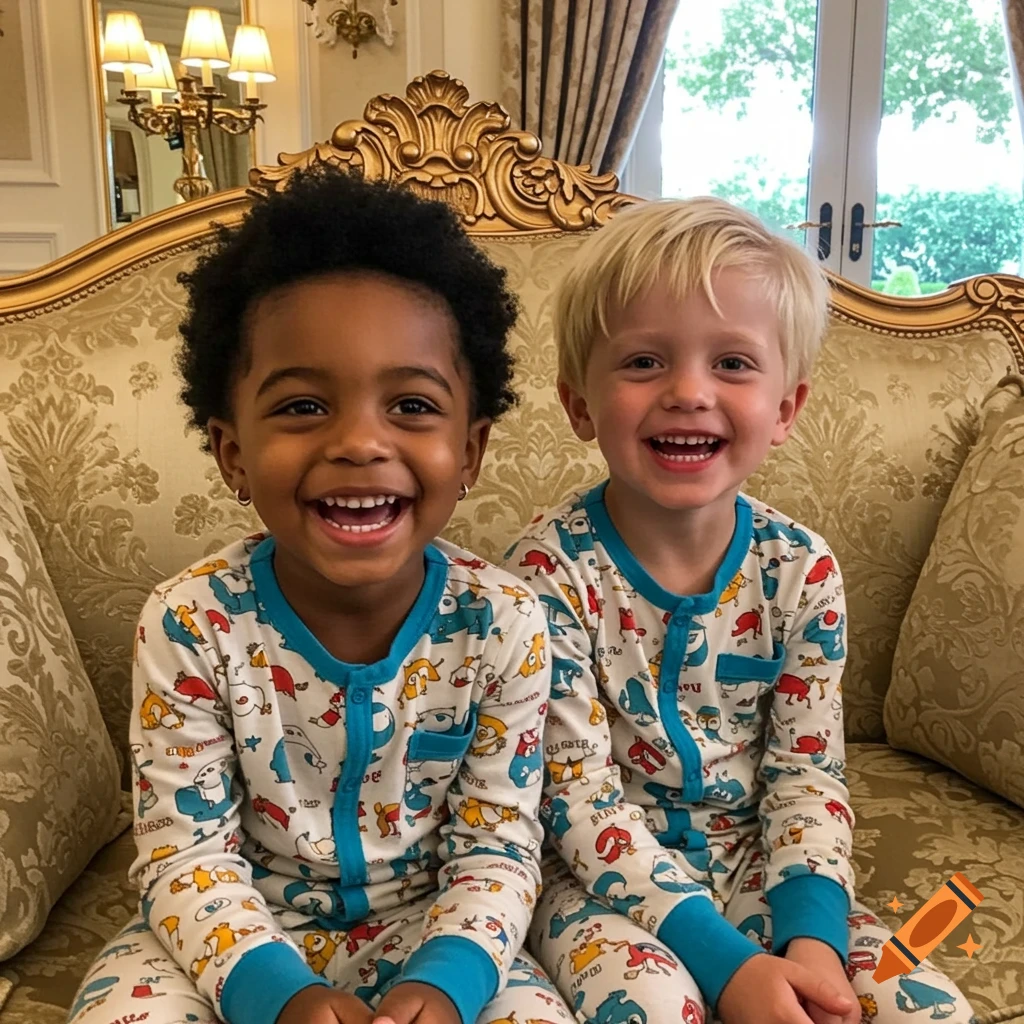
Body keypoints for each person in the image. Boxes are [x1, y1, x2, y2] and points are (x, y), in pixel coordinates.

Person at [67, 169, 576, 1024]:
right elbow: (182, 852)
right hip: (235, 935)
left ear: (472, 450)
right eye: (304, 405)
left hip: (438, 934)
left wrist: (446, 981)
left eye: (411, 405)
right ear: (232, 454)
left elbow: (497, 847)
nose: (358, 442)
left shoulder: (506, 622)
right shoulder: (189, 621)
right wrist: (276, 993)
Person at [503, 197, 977, 1024]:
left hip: (766, 869)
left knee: (927, 1007)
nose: (689, 392)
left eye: (732, 363)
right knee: (651, 1006)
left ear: (787, 409)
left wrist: (813, 944)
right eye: (645, 362)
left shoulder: (803, 569)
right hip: (596, 885)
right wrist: (730, 969)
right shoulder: (543, 576)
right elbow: (574, 803)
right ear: (580, 406)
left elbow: (807, 773)